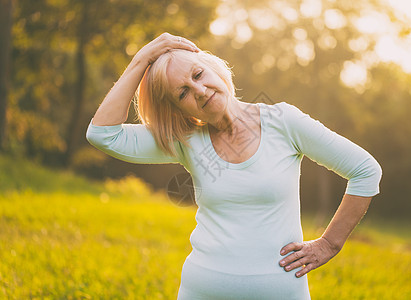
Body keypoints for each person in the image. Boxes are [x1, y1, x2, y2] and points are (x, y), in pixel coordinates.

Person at [86, 32, 382, 300]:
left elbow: (365, 171)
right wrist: (142, 59)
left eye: (198, 74)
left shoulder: (283, 122)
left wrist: (329, 244)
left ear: (214, 67)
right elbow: (103, 134)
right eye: (183, 93)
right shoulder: (186, 140)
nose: (199, 90)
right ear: (179, 109)